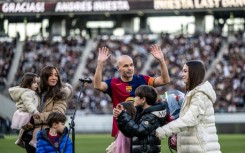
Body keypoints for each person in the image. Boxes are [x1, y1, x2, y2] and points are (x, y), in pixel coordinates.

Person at [94, 44, 170, 137]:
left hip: (141, 128)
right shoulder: (113, 83)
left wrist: (161, 60)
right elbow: (97, 85)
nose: (130, 68)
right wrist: (100, 64)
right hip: (121, 131)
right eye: (126, 66)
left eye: (131, 65)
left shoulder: (142, 80)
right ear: (118, 68)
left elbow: (165, 80)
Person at [156, 60, 222, 153]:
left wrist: (161, 131)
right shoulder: (192, 93)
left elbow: (189, 120)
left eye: (185, 71)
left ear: (194, 73)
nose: (182, 74)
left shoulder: (200, 95)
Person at [22, 65, 73, 153]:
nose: (54, 78)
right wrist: (26, 122)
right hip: (30, 136)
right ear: (44, 77)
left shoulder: (60, 95)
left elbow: (57, 115)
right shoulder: (34, 91)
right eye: (50, 75)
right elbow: (24, 110)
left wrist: (34, 119)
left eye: (56, 75)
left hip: (46, 137)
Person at [113, 85, 169, 153]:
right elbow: (130, 133)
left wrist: (123, 115)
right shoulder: (142, 113)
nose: (134, 98)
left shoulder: (151, 116)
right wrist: (120, 118)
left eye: (136, 96)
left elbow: (139, 131)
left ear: (143, 100)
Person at [9, 72, 40, 148]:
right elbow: (28, 104)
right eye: (34, 83)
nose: (36, 84)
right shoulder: (27, 93)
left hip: (22, 113)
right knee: (37, 125)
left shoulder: (25, 92)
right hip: (27, 113)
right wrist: (35, 111)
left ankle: (19, 140)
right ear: (27, 83)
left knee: (24, 129)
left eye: (37, 83)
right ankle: (33, 141)